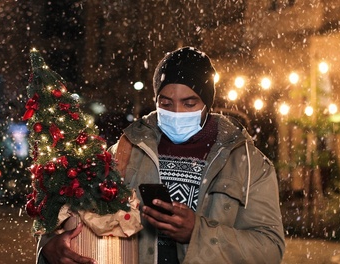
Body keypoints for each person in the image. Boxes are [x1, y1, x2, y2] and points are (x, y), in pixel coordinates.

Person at [36, 46, 285, 263]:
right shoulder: (127, 150)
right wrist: (50, 247)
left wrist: (198, 233)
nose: (176, 112)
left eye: (189, 103)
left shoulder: (248, 163)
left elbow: (270, 249)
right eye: (165, 103)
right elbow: (75, 212)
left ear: (207, 103)